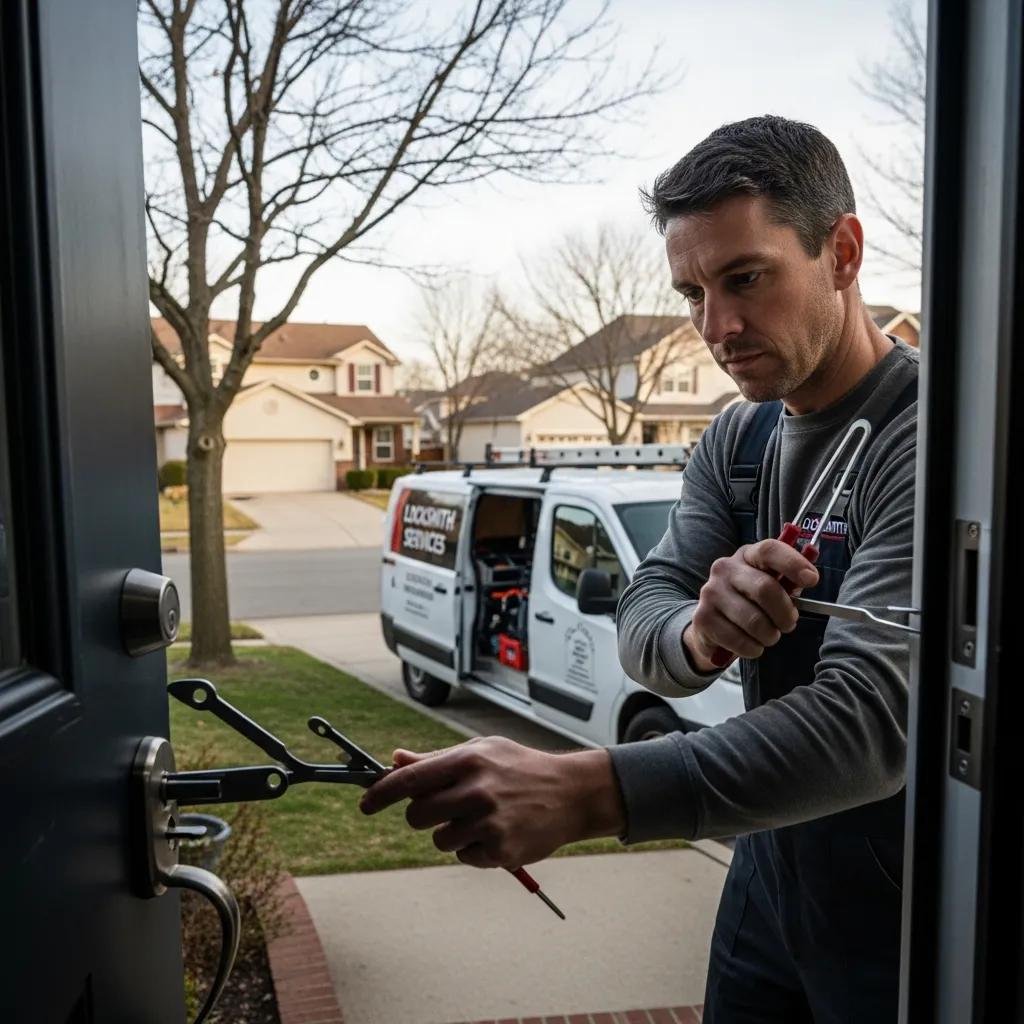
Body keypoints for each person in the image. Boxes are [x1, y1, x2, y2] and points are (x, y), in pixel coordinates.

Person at [360, 115, 917, 1022]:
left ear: (843, 251)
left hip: (903, 902)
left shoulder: (930, 440)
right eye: (692, 292)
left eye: (744, 278)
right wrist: (698, 633)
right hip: (767, 875)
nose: (716, 326)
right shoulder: (740, 440)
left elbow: (872, 723)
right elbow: (641, 615)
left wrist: (584, 791)